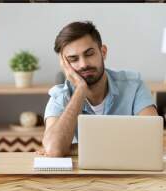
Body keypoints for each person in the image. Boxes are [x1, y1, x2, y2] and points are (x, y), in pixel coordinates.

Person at [42, 21, 158, 157]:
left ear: (103, 52)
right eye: (73, 59)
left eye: (89, 54)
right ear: (65, 66)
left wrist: (73, 149)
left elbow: (152, 140)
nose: (83, 64)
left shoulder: (134, 85)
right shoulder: (60, 96)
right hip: (81, 177)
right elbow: (54, 150)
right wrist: (80, 90)